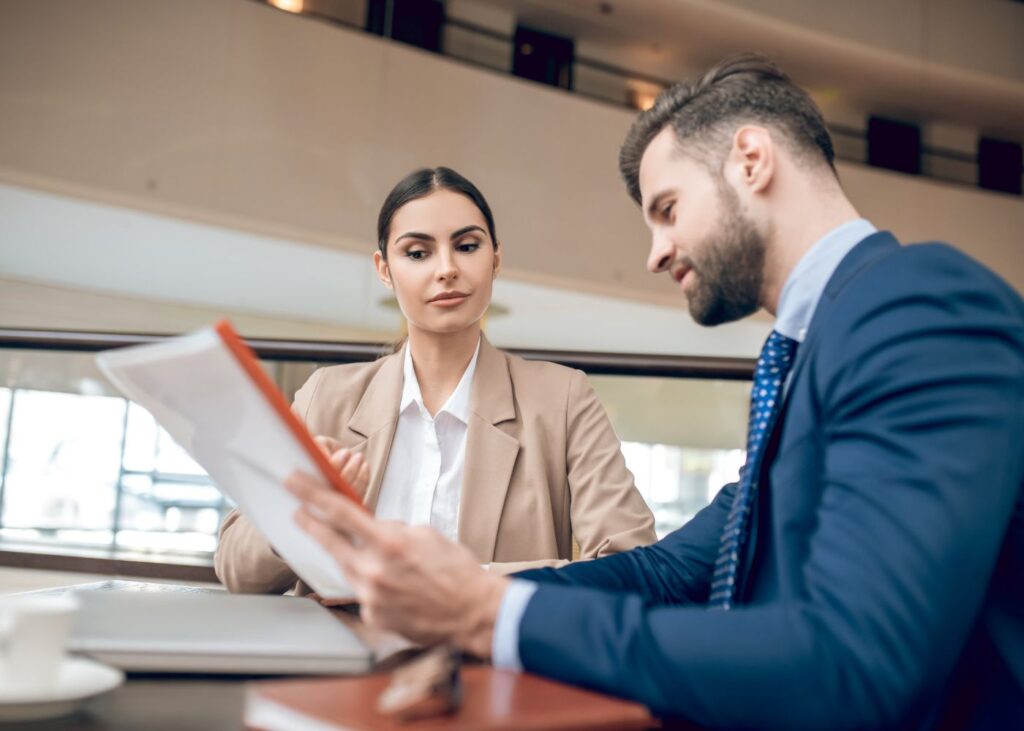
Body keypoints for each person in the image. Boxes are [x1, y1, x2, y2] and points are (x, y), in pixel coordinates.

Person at [285, 56, 1024, 728]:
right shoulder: (815, 349)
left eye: (667, 209)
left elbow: (854, 663)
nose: (655, 252)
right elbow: (665, 571)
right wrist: (450, 592)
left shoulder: (919, 304)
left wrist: (485, 613)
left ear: (751, 160)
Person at [215, 167, 656, 595]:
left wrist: (465, 581)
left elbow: (631, 565)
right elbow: (237, 568)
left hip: (487, 663)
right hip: (337, 655)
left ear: (496, 258)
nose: (446, 268)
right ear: (384, 268)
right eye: (417, 253)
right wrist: (304, 505)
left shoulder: (561, 400)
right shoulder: (326, 397)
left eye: (466, 246)